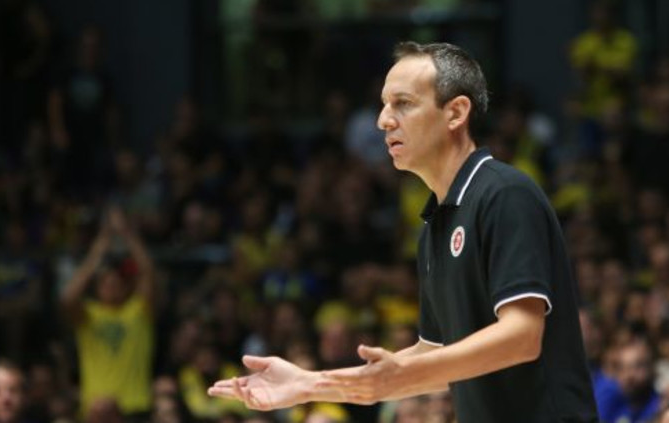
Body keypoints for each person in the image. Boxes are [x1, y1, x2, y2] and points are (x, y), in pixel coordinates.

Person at [208, 42, 598, 422]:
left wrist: (398, 375)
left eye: (403, 104)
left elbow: (522, 336)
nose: (383, 120)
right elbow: (433, 355)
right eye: (383, 104)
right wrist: (311, 384)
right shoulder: (433, 227)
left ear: (456, 112)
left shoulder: (505, 193)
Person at [61, 207, 155, 419]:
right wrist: (100, 246)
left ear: (126, 287)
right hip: (96, 411)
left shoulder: (138, 312)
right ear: (97, 288)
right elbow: (68, 298)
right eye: (105, 283)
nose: (111, 286)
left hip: (134, 408)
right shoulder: (89, 315)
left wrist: (128, 234)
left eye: (116, 283)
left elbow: (148, 273)